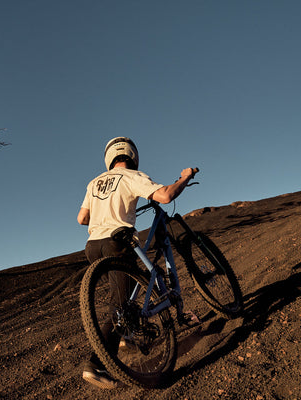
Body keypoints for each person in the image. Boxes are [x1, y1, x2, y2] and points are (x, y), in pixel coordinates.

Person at [77, 137, 197, 389]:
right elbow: (165, 196)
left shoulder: (93, 182)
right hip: (116, 242)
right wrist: (184, 177)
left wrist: (104, 215)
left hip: (92, 246)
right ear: (132, 156)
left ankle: (127, 336)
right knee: (119, 303)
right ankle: (96, 363)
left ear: (109, 158)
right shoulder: (131, 176)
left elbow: (82, 218)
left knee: (124, 294)